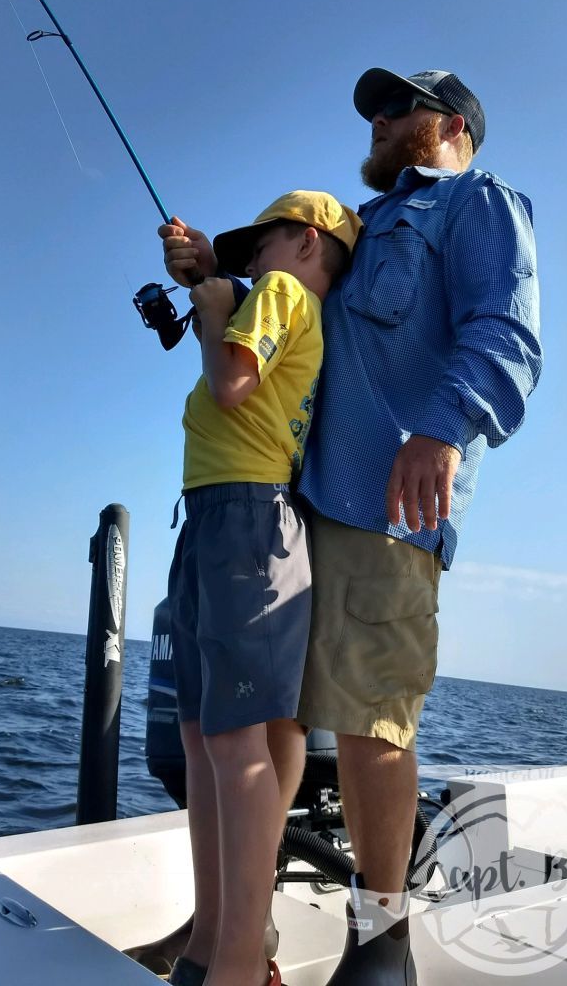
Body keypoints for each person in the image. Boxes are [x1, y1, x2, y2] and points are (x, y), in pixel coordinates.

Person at [161, 68, 542, 984]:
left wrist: (443, 432)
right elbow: (290, 310)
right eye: (373, 108)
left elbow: (509, 331)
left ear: (448, 125)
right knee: (268, 720)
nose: (375, 121)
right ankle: (236, 933)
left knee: (372, 724)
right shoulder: (358, 238)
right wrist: (215, 278)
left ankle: (383, 939)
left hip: (387, 511)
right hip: (290, 512)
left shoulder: (479, 206)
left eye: (396, 109)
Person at [163, 190, 362, 986]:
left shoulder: (283, 296)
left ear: (307, 245)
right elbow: (238, 350)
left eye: (263, 244)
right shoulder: (276, 297)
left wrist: (214, 307)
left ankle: (238, 962)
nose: (251, 261)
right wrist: (210, 285)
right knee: (200, 737)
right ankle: (212, 939)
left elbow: (232, 385)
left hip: (247, 520)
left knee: (232, 744)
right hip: (216, 517)